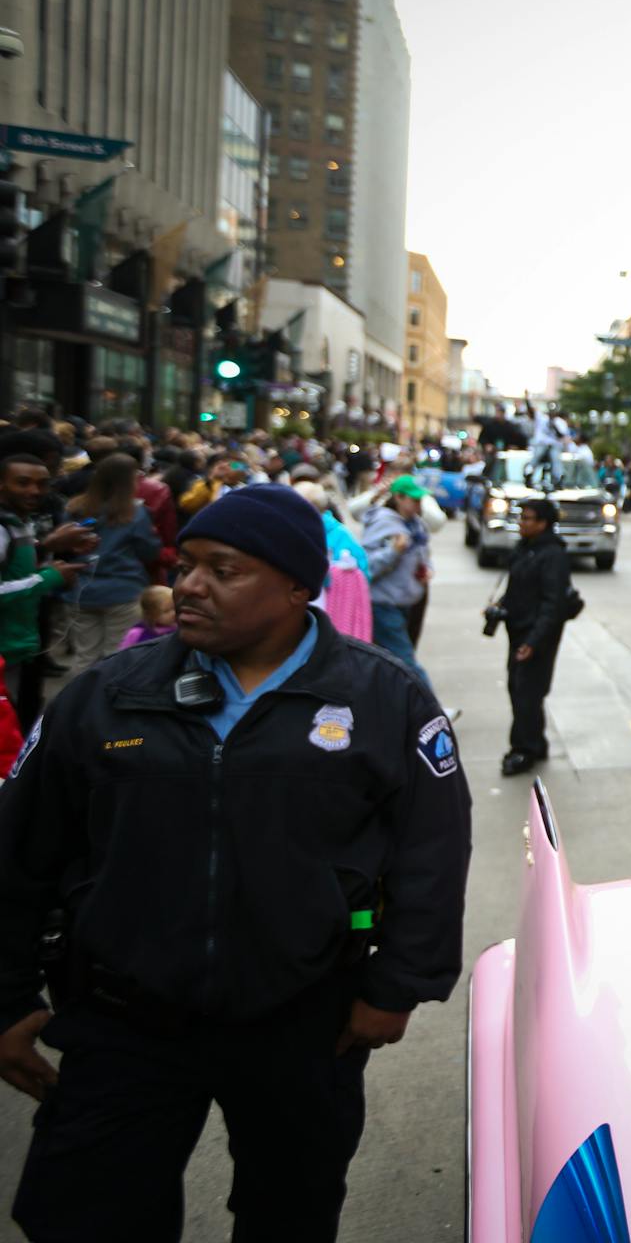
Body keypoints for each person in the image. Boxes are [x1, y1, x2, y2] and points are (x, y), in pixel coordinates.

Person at [0, 484, 473, 1242]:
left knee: (290, 1213)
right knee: (85, 1216)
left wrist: (398, 988)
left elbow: (434, 852)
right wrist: (8, 995)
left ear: (296, 587)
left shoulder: (384, 698)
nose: (189, 586)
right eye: (186, 565)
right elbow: (19, 852)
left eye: (223, 570)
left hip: (305, 1021)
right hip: (123, 1021)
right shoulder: (106, 696)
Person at [48, 453, 164, 694]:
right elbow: (149, 550)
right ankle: (110, 710)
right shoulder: (135, 512)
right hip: (124, 589)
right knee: (119, 654)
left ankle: (78, 704)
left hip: (81, 589)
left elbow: (63, 544)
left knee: (84, 656)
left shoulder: (75, 508)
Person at [0, 456, 87, 725]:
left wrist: (51, 563)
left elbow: (17, 574)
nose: (34, 491)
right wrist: (49, 577)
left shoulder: (18, 522)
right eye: (23, 483)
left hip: (17, 649)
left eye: (41, 484)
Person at [498, 498, 573, 778]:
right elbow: (517, 587)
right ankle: (536, 742)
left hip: (536, 637)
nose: (522, 523)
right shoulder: (525, 549)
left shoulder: (553, 556)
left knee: (526, 693)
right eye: (521, 517)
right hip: (518, 631)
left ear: (543, 523)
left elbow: (553, 604)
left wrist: (534, 641)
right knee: (519, 689)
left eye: (528, 518)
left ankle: (522, 749)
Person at [362, 476, 432, 687]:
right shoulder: (383, 522)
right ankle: (433, 712)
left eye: (420, 500)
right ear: (399, 498)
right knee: (406, 661)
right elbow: (366, 566)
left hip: (406, 602)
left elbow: (424, 554)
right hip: (384, 603)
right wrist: (393, 552)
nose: (418, 504)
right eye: (413, 500)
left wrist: (426, 570)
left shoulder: (416, 524)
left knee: (389, 662)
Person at [118, 584, 178, 649]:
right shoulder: (137, 633)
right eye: (166, 611)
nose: (174, 613)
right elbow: (124, 653)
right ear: (150, 614)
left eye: (175, 608)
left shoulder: (179, 630)